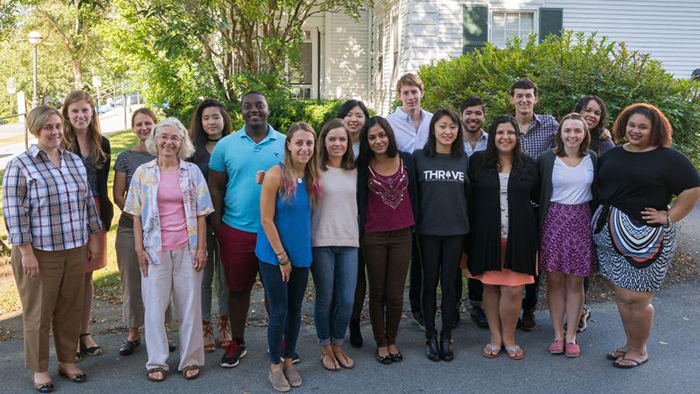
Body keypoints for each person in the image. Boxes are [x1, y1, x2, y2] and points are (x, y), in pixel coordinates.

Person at [593, 103, 700, 368]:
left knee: (638, 298)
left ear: (655, 130)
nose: (635, 131)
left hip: (647, 239)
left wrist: (669, 216)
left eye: (643, 127)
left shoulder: (669, 158)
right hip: (610, 236)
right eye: (631, 125)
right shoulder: (613, 153)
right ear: (623, 125)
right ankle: (629, 344)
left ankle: (639, 349)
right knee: (622, 295)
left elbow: (692, 189)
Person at [3, 106, 102, 391]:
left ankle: (67, 361)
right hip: (38, 253)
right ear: (35, 130)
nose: (55, 132)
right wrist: (26, 253)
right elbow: (14, 213)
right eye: (48, 127)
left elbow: (86, 204)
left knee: (70, 309)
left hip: (73, 246)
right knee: (39, 313)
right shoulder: (20, 165)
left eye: (58, 126)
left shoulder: (73, 161)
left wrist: (93, 239)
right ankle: (39, 368)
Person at [124, 117, 214, 382]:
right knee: (154, 308)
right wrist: (139, 249)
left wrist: (201, 248)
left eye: (175, 138)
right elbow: (136, 215)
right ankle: (157, 362)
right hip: (154, 250)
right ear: (155, 140)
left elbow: (201, 213)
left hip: (187, 249)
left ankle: (191, 360)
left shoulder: (192, 172)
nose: (169, 142)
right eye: (164, 136)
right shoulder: (144, 173)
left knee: (189, 308)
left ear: (182, 142)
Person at [208, 91, 287, 368]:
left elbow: (295, 183)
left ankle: (277, 341)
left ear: (267, 109)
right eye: (247, 106)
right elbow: (215, 187)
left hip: (274, 231)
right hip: (236, 230)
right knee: (238, 288)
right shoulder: (226, 146)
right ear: (241, 111)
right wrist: (218, 226)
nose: (254, 110)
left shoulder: (284, 143)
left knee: (274, 289)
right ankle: (237, 342)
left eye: (259, 105)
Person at [467, 115, 539, 360]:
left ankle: (509, 337)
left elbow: (537, 199)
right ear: (492, 136)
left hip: (519, 237)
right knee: (490, 287)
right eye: (500, 133)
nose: (505, 137)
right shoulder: (478, 162)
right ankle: (495, 337)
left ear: (517, 137)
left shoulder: (529, 165)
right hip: (486, 236)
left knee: (514, 290)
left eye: (510, 133)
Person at [256, 122, 321, 392]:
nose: (304, 148)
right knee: (279, 312)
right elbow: (266, 219)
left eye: (309, 143)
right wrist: (282, 257)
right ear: (288, 145)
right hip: (274, 254)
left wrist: (293, 257)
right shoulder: (274, 174)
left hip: (301, 253)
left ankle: (289, 359)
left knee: (296, 311)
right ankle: (274, 365)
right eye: (299, 143)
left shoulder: (314, 176)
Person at [114, 108, 175, 356]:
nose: (143, 128)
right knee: (132, 282)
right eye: (138, 124)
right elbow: (119, 196)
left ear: (155, 126)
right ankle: (133, 332)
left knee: (161, 284)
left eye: (148, 123)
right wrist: (140, 219)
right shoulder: (126, 158)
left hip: (164, 233)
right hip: (130, 230)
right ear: (133, 128)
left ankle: (161, 331)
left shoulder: (165, 154)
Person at [357, 116, 418, 364]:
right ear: (366, 141)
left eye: (382, 135)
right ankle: (381, 343)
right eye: (372, 137)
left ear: (389, 135)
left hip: (403, 234)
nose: (378, 140)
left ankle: (393, 340)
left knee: (395, 292)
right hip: (374, 236)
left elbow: (416, 193)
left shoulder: (407, 160)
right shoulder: (362, 166)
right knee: (378, 291)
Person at [538, 113, 598, 358]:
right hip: (553, 221)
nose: (572, 135)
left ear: (585, 134)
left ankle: (571, 335)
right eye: (567, 131)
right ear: (560, 133)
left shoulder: (592, 158)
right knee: (554, 281)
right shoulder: (546, 159)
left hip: (582, 222)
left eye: (577, 131)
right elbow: (537, 192)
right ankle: (557, 334)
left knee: (576, 282)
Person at [61, 91, 114, 360]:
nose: (80, 116)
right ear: (67, 115)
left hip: (96, 213)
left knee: (87, 277)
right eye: (75, 111)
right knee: (69, 278)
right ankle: (67, 338)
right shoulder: (59, 143)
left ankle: (83, 333)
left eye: (85, 110)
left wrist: (102, 222)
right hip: (67, 216)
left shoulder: (101, 143)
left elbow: (102, 185)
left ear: (92, 112)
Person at [414, 109, 470, 362]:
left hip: (456, 231)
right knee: (428, 285)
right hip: (426, 232)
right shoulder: (419, 158)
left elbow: (470, 198)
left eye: (452, 127)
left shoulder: (464, 159)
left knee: (449, 286)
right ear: (433, 129)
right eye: (442, 126)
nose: (447, 131)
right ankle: (430, 335)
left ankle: (446, 335)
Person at [310, 119, 359, 370]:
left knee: (347, 300)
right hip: (321, 241)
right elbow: (286, 176)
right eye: (332, 139)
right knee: (325, 297)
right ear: (324, 142)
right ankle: (325, 347)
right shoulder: (313, 169)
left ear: (348, 142)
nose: (337, 143)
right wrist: (265, 176)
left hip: (350, 241)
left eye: (342, 139)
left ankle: (338, 344)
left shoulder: (356, 170)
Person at [509, 78, 558, 331]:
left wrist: (602, 136)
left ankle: (529, 308)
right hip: (514, 199)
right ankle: (510, 308)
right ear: (512, 99)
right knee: (515, 252)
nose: (524, 100)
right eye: (519, 95)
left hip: (542, 200)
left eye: (528, 95)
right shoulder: (506, 127)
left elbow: (573, 143)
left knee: (535, 257)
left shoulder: (550, 124)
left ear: (535, 98)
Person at [386, 73, 433, 328]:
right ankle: (410, 306)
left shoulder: (434, 121)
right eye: (405, 93)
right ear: (399, 95)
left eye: (414, 91)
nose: (411, 97)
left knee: (426, 254)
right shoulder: (390, 123)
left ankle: (422, 306)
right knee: (412, 251)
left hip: (430, 192)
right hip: (402, 193)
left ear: (421, 92)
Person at [188, 99, 233, 352]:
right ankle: (204, 325)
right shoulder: (192, 151)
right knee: (203, 277)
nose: (212, 122)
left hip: (229, 220)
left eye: (216, 116)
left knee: (225, 278)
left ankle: (224, 323)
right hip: (200, 223)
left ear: (224, 119)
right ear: (200, 122)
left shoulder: (234, 146)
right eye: (206, 118)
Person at [338, 100, 369, 348]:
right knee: (339, 274)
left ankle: (355, 321)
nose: (354, 119)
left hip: (367, 216)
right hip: (339, 216)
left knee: (359, 274)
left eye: (359, 115)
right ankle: (334, 320)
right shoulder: (332, 144)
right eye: (349, 115)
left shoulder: (372, 146)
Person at [460, 96, 489, 329]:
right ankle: (452, 306)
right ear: (462, 115)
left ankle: (478, 305)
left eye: (478, 113)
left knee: (478, 257)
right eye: (469, 112)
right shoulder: (450, 140)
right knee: (453, 259)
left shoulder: (492, 141)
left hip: (482, 209)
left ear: (484, 117)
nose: (473, 117)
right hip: (455, 207)